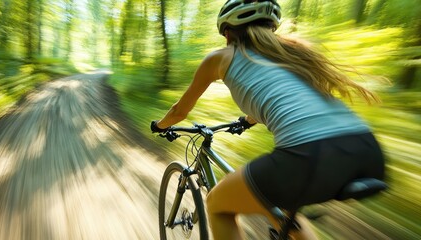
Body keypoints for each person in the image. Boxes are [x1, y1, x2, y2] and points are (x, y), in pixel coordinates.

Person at [150, 0, 385, 239]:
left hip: (309, 154)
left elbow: (179, 112)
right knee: (280, 207)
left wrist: (159, 126)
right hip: (367, 149)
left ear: (228, 32)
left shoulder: (220, 58)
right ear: (270, 29)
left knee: (217, 205)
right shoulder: (288, 56)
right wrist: (249, 120)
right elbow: (291, 99)